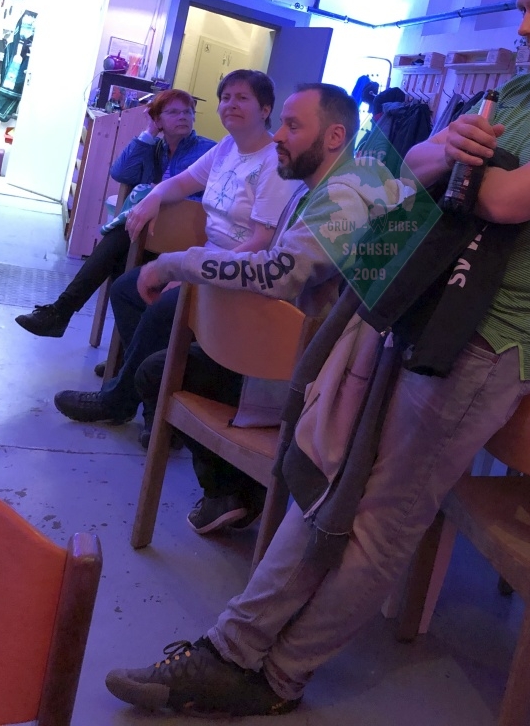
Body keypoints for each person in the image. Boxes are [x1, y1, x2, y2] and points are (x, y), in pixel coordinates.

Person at [105, 0, 530, 718]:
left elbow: (497, 200)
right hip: (420, 311)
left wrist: (445, 164)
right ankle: (230, 650)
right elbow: (415, 167)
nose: (524, 24)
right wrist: (443, 155)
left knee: (383, 520)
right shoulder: (527, 91)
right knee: (333, 486)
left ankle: (274, 675)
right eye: (522, 8)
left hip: (486, 343)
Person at [131, 83, 416, 534]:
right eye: (281, 123)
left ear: (335, 137)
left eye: (293, 126)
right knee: (165, 358)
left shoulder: (346, 197)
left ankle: (237, 490)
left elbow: (279, 273)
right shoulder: (324, 188)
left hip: (310, 383)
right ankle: (239, 490)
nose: (279, 135)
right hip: (296, 362)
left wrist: (176, 264)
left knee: (155, 372)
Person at [53, 69, 298, 434]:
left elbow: (262, 241)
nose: (231, 104)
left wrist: (191, 273)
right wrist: (152, 197)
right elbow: (182, 182)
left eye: (242, 98)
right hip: (207, 258)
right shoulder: (226, 149)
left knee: (160, 308)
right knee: (126, 290)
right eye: (225, 97)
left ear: (265, 110)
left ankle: (118, 400)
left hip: (236, 274)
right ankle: (154, 400)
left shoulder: (273, 162)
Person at [14, 89, 214, 340]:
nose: (183, 117)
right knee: (122, 261)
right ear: (158, 119)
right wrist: (148, 134)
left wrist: (160, 198)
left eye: (188, 112)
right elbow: (121, 173)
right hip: (149, 235)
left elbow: (206, 202)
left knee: (122, 236)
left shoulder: (207, 151)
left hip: (182, 238)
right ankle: (126, 352)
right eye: (173, 112)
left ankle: (62, 312)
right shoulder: (154, 148)